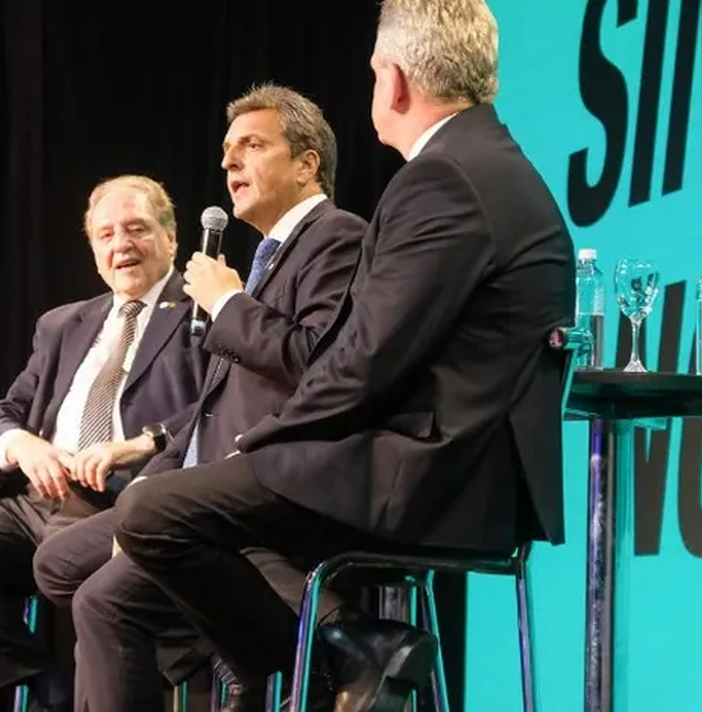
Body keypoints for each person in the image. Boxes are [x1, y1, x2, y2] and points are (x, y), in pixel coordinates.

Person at [113, 1, 577, 709]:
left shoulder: (443, 178)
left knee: (151, 512)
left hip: (436, 474)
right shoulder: (490, 164)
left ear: (392, 82)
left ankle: (336, 656)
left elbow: (361, 362)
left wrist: (261, 444)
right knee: (200, 517)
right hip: (463, 467)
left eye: (370, 76)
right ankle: (342, 653)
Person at [32, 84, 366, 712]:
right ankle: (241, 641)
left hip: (274, 481)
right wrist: (148, 488)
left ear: (306, 163)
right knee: (58, 564)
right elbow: (212, 407)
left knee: (103, 602)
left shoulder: (336, 237)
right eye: (226, 151)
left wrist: (226, 303)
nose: (229, 163)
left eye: (252, 146)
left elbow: (314, 363)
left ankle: (291, 641)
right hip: (201, 478)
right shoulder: (264, 259)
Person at [0, 174, 207, 711]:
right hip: (41, 499)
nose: (121, 245)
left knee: (94, 593)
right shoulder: (64, 324)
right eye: (105, 235)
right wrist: (23, 446)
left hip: (129, 498)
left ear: (171, 237)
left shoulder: (203, 312)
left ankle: (190, 657)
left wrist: (141, 445)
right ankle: (39, 681)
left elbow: (216, 411)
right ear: (92, 250)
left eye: (136, 229)